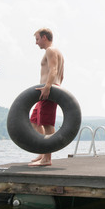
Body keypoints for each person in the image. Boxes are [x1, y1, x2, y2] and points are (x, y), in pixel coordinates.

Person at [29, 28, 65, 166]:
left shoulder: (51, 51)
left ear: (44, 37)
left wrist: (49, 86)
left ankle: (47, 158)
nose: (36, 43)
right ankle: (43, 152)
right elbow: (62, 75)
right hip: (47, 88)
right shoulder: (57, 52)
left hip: (48, 89)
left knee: (47, 124)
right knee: (35, 120)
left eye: (37, 39)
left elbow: (54, 70)